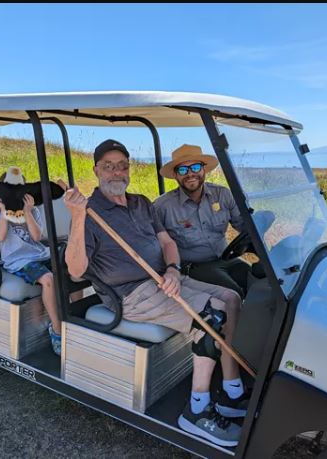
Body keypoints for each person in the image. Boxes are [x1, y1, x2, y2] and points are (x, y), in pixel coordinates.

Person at [63, 140, 249, 447]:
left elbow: (167, 243)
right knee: (210, 316)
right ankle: (196, 411)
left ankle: (231, 390)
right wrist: (77, 216)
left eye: (122, 165)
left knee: (231, 298)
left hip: (164, 279)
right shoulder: (90, 212)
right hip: (131, 294)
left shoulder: (141, 203)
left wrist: (174, 269)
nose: (116, 172)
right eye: (108, 166)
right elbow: (74, 270)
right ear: (96, 170)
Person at [153, 144, 251, 299]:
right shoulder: (162, 207)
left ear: (204, 169)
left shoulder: (223, 195)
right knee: (236, 293)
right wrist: (171, 271)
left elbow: (245, 226)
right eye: (183, 170)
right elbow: (154, 244)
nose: (190, 174)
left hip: (227, 259)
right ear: (176, 175)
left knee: (261, 281)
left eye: (196, 167)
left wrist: (259, 226)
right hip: (194, 267)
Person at [0, 166, 62, 356]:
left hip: (40, 254)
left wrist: (27, 211)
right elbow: (0, 236)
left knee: (72, 271)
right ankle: (58, 330)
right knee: (47, 279)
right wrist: (4, 210)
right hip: (18, 261)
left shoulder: (33, 211)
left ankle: (75, 324)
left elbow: (37, 237)